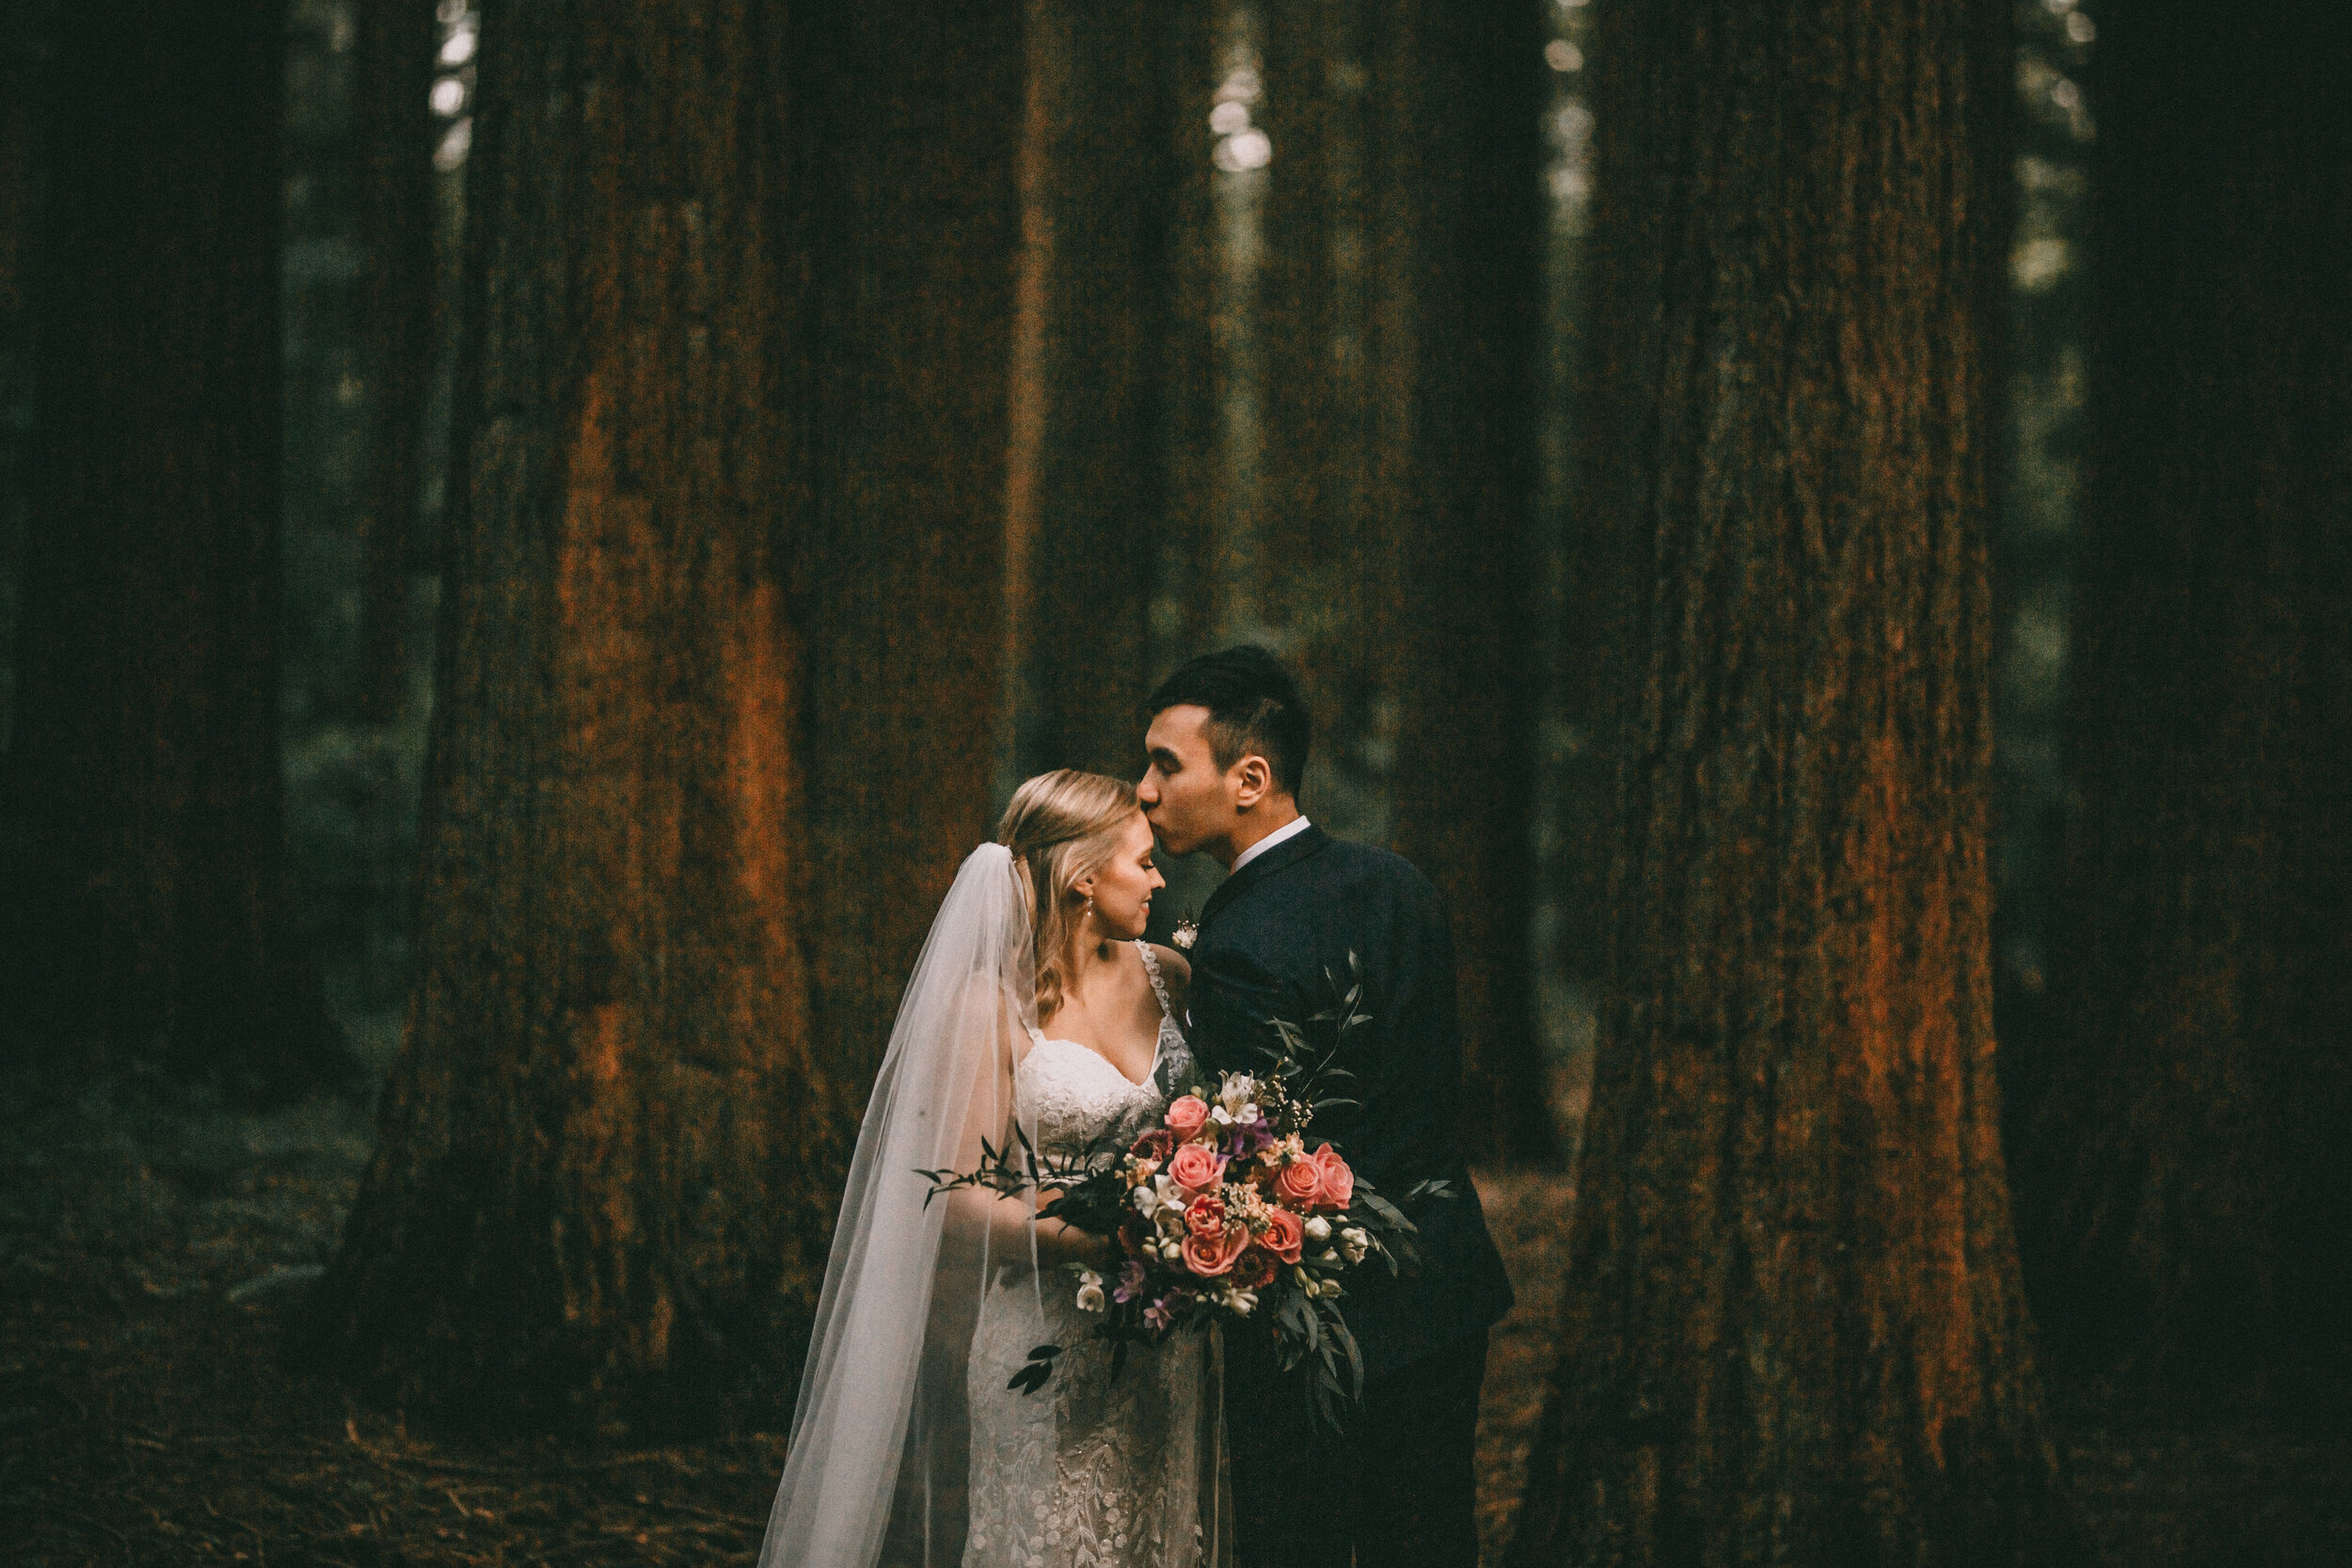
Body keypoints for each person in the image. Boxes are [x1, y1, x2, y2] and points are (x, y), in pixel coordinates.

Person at [759, 771, 1226, 1568]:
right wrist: (1102, 1239)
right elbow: (958, 1202)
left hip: (1161, 1344)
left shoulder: (1170, 979)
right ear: (1083, 877)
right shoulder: (991, 1003)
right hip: (1045, 1343)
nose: (1159, 878)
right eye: (1142, 862)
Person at [1138, 645, 1514, 1568]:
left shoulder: (1236, 935)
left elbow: (1253, 1151)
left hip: (1309, 1317)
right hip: (1444, 1285)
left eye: (1164, 763)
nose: (1142, 789)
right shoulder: (1400, 884)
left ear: (1249, 777)